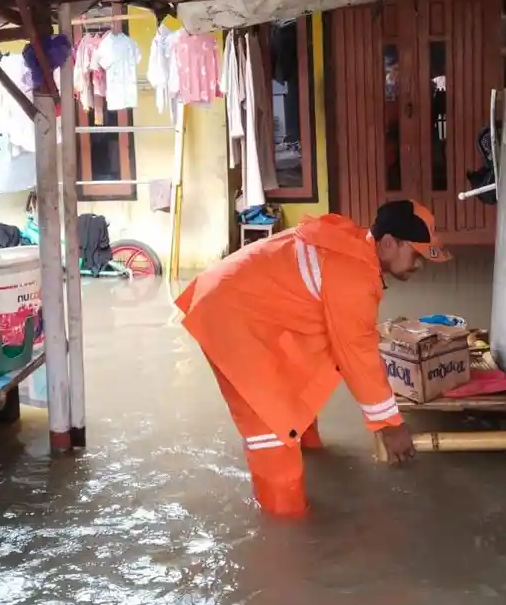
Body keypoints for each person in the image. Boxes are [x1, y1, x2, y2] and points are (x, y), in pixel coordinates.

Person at [175, 199, 452, 517]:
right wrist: (390, 425)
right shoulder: (353, 273)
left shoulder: (352, 249)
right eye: (416, 254)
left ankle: (312, 455)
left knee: (299, 391)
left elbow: (345, 340)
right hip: (231, 318)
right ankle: (286, 533)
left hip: (241, 303)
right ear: (389, 243)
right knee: (273, 433)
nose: (420, 265)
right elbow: (356, 354)